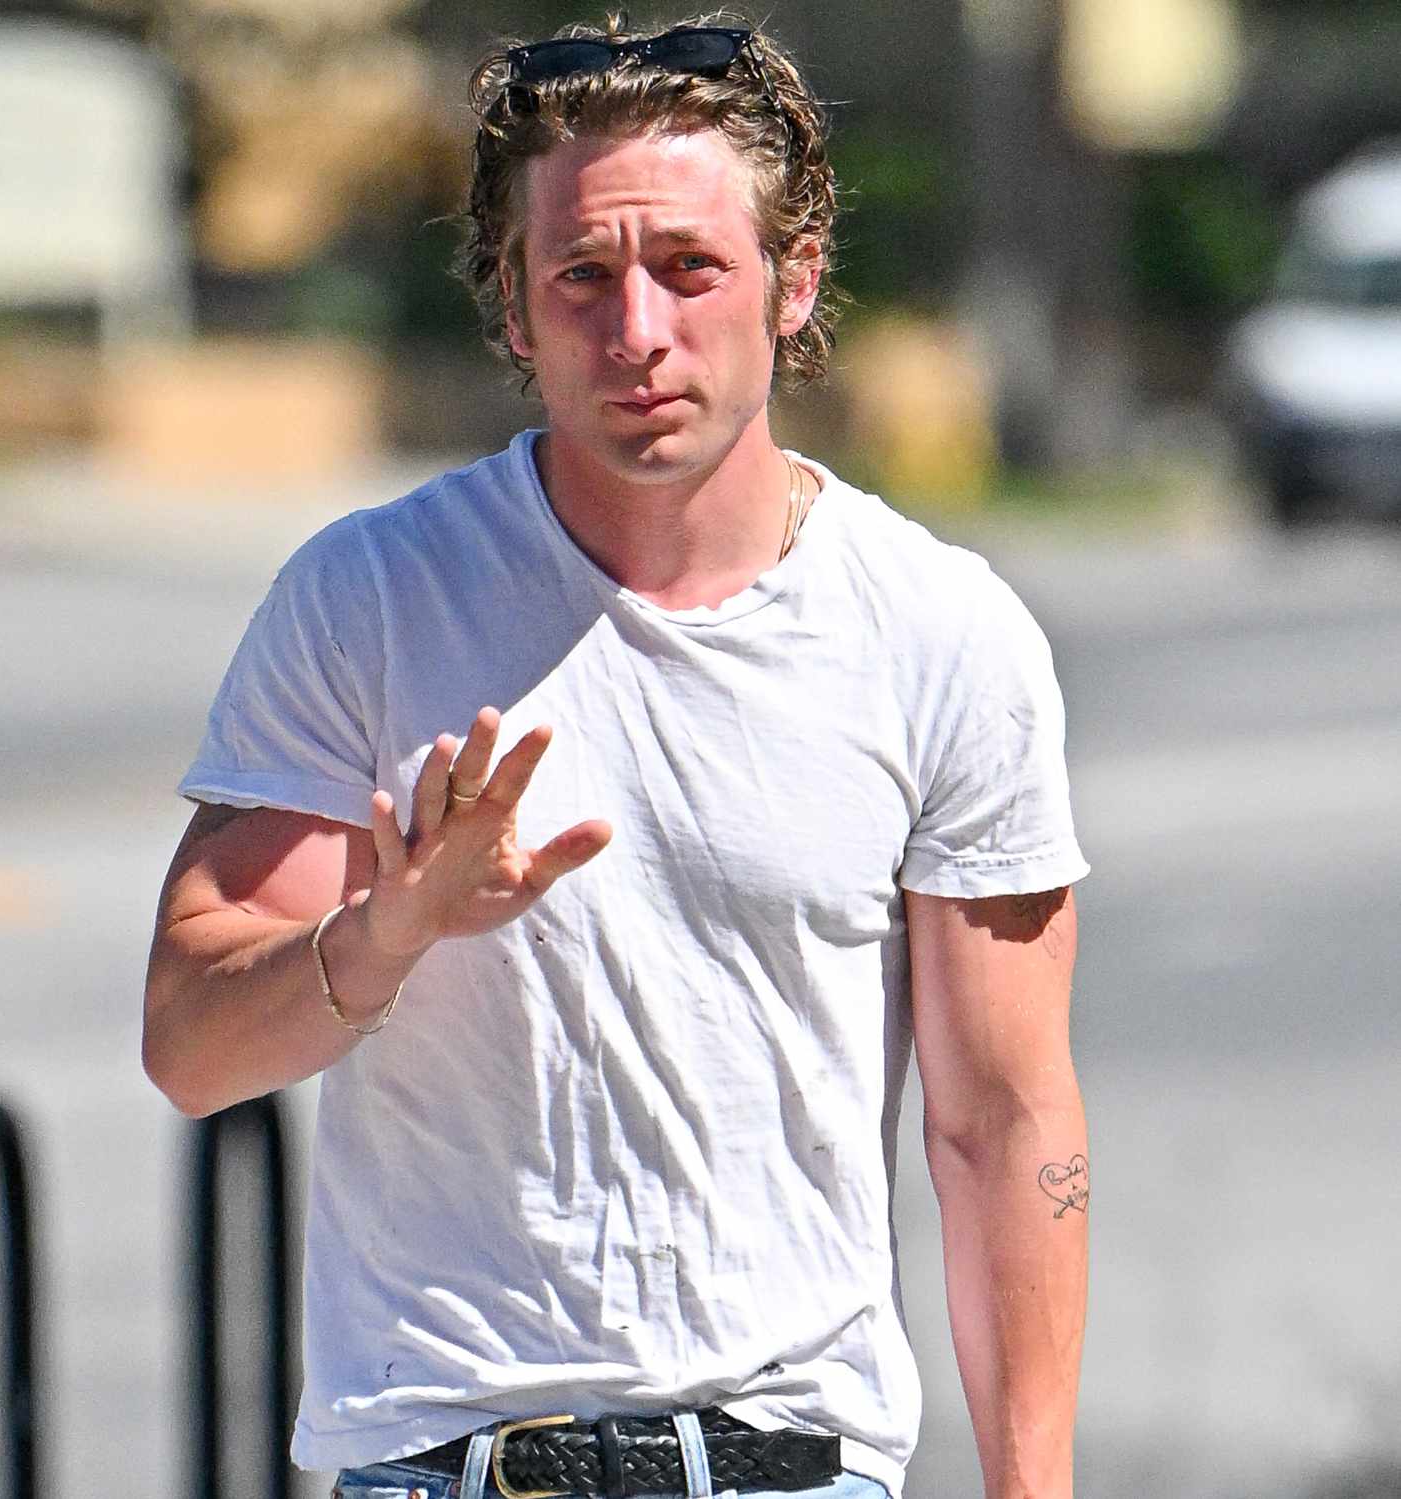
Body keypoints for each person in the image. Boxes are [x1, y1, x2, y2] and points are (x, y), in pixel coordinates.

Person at [143, 12, 1091, 1499]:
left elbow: (1005, 1123)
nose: (636, 330)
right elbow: (192, 1047)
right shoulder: (372, 598)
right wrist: (387, 932)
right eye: (582, 275)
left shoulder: (939, 632)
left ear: (794, 281)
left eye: (689, 269)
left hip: (794, 1461)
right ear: (514, 310)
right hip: (441, 1459)